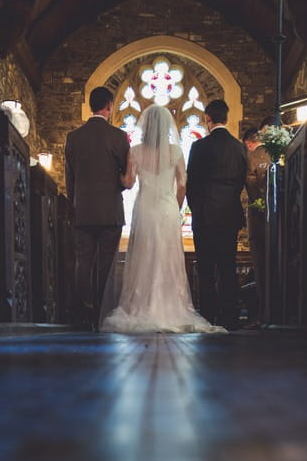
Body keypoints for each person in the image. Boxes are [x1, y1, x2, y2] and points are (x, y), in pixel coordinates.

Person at [99, 104, 225, 334]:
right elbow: (183, 186)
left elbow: (128, 182)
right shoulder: (176, 152)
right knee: (167, 258)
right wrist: (173, 207)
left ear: (145, 125)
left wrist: (114, 174)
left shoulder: (135, 150)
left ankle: (141, 306)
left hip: (145, 206)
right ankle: (170, 306)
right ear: (167, 126)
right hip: (167, 209)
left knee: (144, 256)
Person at [65, 86, 130, 329]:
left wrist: (75, 205)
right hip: (110, 212)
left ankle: (81, 316)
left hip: (82, 211)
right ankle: (102, 316)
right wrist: (118, 186)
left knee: (83, 264)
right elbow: (125, 176)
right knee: (106, 266)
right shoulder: (118, 137)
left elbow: (70, 178)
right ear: (109, 107)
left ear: (92, 106)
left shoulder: (74, 137)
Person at [186, 98, 247, 330]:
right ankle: (230, 318)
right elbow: (241, 181)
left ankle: (208, 316)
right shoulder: (239, 147)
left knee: (206, 269)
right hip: (229, 215)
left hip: (204, 216)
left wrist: (197, 209)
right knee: (227, 267)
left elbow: (191, 185)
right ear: (227, 118)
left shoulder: (199, 147)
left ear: (207, 120)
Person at [242, 125, 270, 327]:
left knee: (261, 269)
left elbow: (251, 185)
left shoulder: (252, 157)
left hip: (259, 220)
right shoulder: (279, 153)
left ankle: (262, 315)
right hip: (282, 222)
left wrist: (259, 204)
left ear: (249, 143)